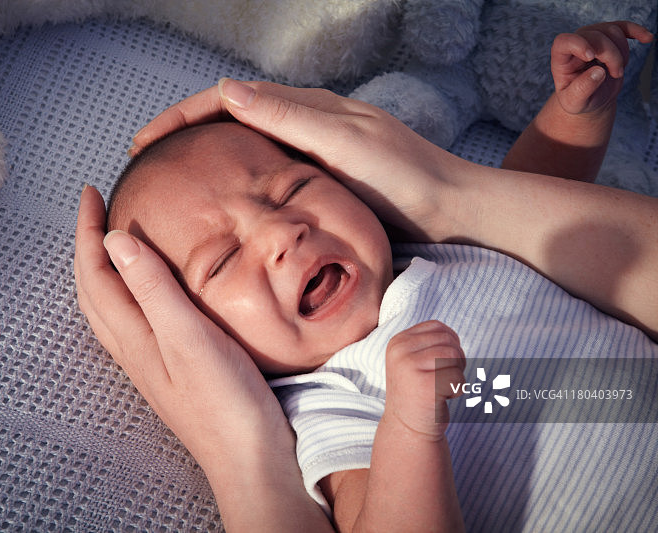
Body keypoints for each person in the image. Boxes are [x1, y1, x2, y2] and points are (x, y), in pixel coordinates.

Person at [75, 21, 656, 532]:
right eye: (223, 259)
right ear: (197, 332)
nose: (282, 233)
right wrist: (408, 427)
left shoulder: (421, 248)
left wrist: (577, 115)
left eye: (292, 189)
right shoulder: (325, 403)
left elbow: (528, 213)